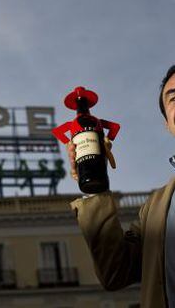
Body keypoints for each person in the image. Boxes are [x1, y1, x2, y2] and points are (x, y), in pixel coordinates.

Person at [67, 65, 175, 308]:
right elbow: (116, 274)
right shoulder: (154, 209)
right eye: (174, 98)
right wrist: (94, 184)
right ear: (167, 123)